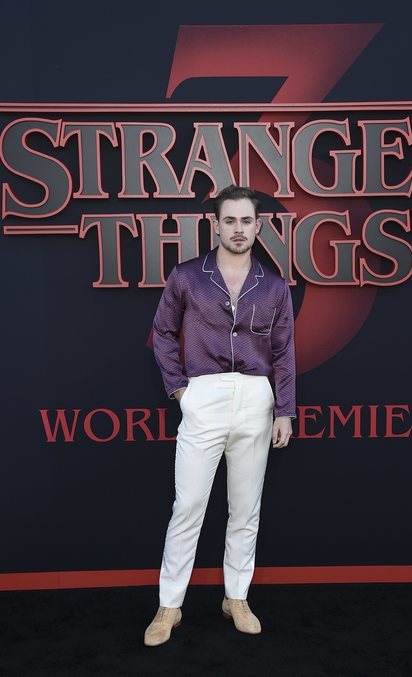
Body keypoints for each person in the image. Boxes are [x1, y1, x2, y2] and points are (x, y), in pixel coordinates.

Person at [144, 184, 296, 646]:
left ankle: (237, 598)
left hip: (255, 399)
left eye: (246, 221)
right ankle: (169, 606)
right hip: (203, 395)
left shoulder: (274, 286)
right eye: (230, 220)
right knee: (188, 506)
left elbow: (284, 351)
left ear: (258, 226)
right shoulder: (188, 276)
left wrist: (285, 410)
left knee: (245, 509)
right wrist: (179, 389)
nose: (238, 229)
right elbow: (162, 332)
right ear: (216, 224)